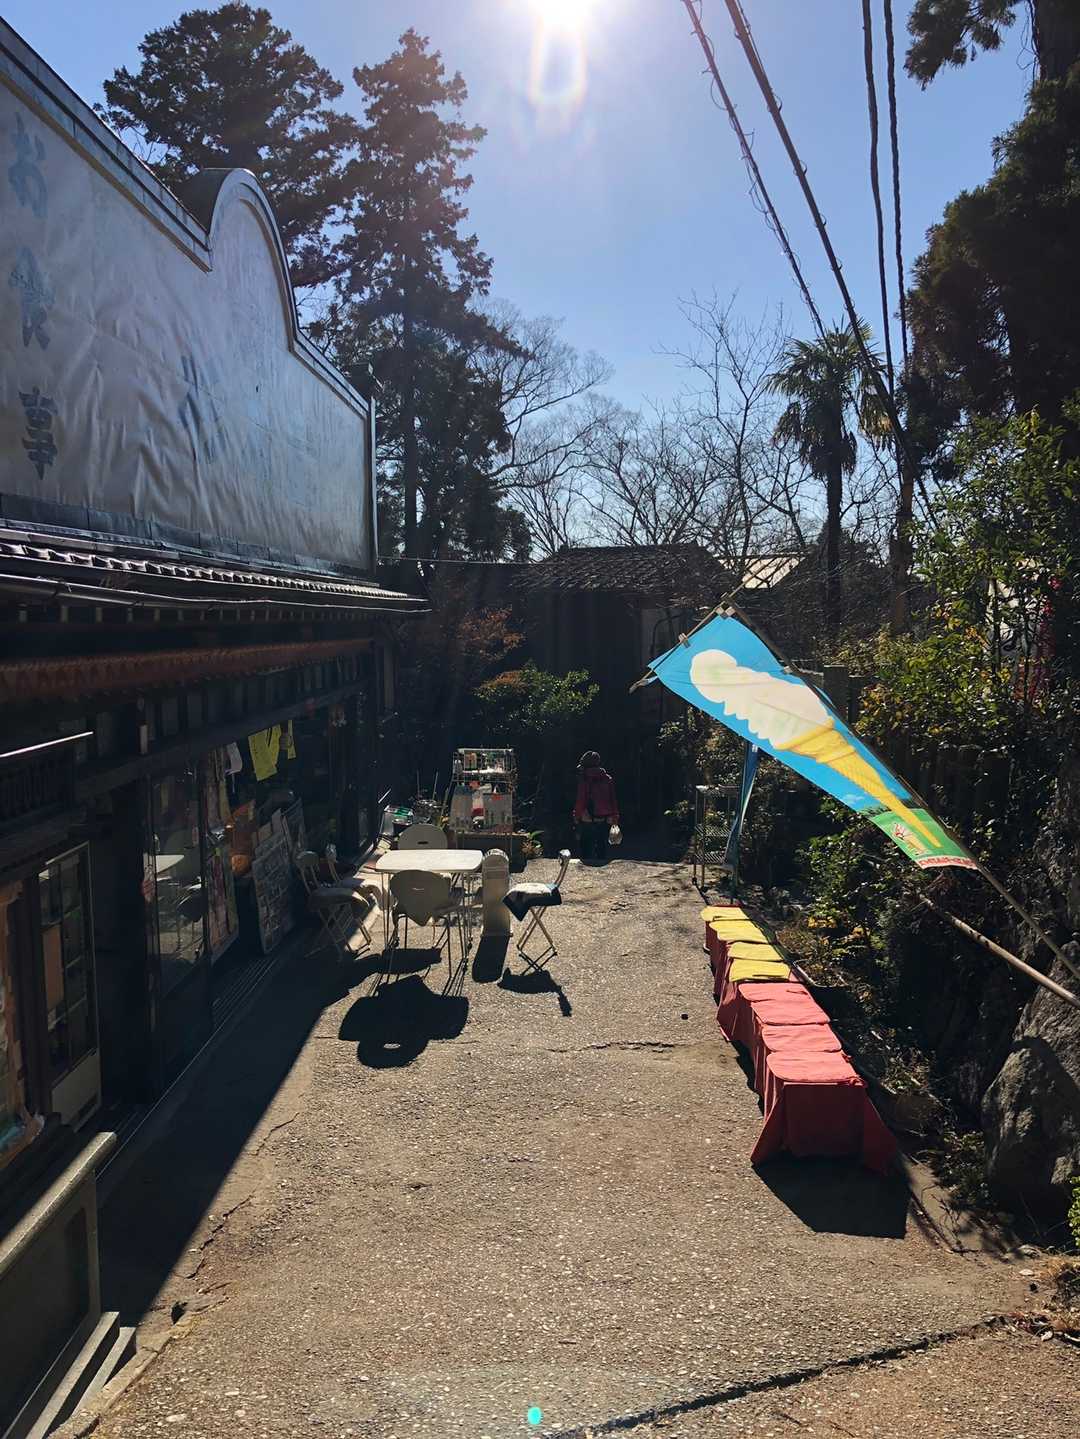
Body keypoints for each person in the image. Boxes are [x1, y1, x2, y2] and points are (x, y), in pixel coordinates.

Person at [573, 751, 619, 865]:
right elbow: (613, 799)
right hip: (605, 817)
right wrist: (615, 816)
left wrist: (576, 816)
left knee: (586, 845)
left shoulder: (584, 779)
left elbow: (580, 800)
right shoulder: (607, 778)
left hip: (587, 817)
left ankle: (587, 867)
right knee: (601, 843)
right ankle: (601, 864)